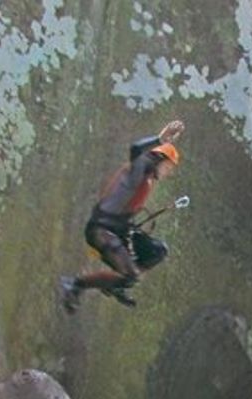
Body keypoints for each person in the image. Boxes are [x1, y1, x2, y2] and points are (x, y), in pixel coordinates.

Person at [60, 119, 184, 311]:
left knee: (158, 251)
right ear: (158, 159)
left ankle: (119, 283)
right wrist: (160, 139)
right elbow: (136, 149)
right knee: (130, 274)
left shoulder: (148, 180)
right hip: (101, 230)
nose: (168, 173)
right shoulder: (138, 171)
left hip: (118, 231)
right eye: (168, 167)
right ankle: (76, 284)